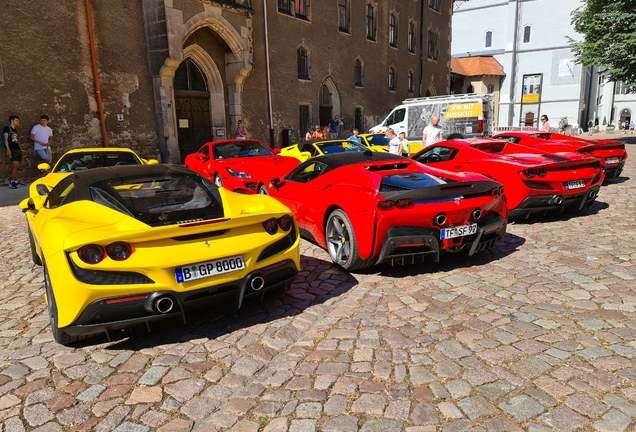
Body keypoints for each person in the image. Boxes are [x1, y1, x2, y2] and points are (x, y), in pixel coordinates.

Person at [3, 115, 24, 189]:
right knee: (16, 165)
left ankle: (16, 181)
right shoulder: (7, 128)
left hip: (17, 149)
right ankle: (12, 182)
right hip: (12, 149)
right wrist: (8, 149)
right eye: (16, 120)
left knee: (17, 166)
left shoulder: (15, 130)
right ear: (12, 120)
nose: (18, 122)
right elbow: (6, 139)